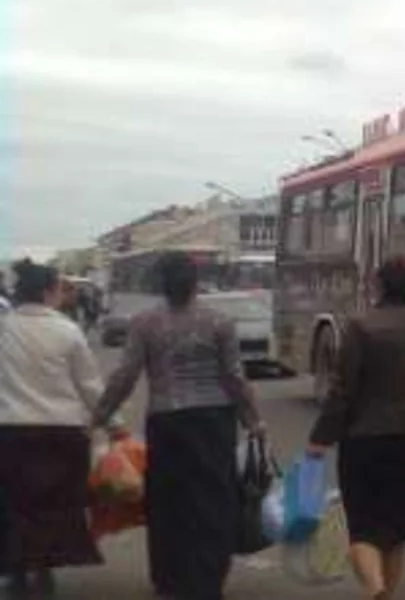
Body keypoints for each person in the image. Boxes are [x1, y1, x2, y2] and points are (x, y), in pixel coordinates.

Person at [92, 251, 265, 600]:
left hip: (167, 422)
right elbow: (233, 378)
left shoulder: (145, 322)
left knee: (169, 503)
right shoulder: (219, 321)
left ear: (160, 285)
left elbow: (125, 375)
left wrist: (99, 416)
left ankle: (170, 580)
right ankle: (208, 581)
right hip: (215, 421)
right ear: (196, 283)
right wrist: (253, 420)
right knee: (214, 501)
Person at [307, 258, 405, 600]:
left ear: (379, 286)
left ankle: (374, 589)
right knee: (398, 530)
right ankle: (386, 591)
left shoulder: (360, 326)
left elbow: (342, 390)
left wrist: (320, 438)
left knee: (363, 528)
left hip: (364, 439)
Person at [0, 259, 108, 597]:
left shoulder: (4, 328)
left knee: (13, 504)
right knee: (56, 506)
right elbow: (89, 385)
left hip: (11, 432)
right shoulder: (67, 330)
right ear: (48, 291)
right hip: (62, 433)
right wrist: (114, 424)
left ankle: (17, 573)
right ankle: (44, 571)